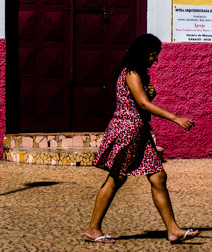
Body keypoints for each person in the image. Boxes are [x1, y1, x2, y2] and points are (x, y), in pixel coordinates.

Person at [85, 34, 199, 244]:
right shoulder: (132, 72)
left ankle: (173, 230)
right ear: (144, 53)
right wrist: (175, 118)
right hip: (127, 133)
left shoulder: (140, 74)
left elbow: (139, 101)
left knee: (158, 178)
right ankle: (93, 229)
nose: (155, 60)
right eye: (154, 55)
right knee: (116, 179)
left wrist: (149, 95)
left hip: (140, 133)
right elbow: (143, 105)